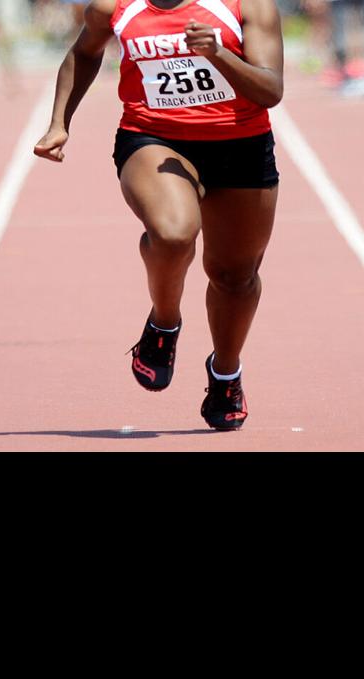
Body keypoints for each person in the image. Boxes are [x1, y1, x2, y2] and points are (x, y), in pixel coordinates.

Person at [33, 0, 284, 431]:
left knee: (235, 277)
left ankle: (225, 372)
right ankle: (164, 323)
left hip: (240, 145)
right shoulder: (114, 6)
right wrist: (59, 121)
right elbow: (84, 52)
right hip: (153, 135)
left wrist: (219, 55)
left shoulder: (245, 5)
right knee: (172, 233)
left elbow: (271, 91)